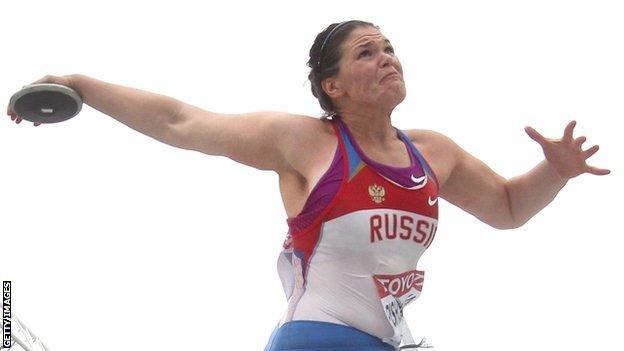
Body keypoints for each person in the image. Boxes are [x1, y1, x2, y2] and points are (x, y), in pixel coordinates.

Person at [6, 20, 610, 351]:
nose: (387, 58)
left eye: (391, 48)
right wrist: (78, 83)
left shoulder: (436, 153)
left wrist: (554, 171)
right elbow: (180, 122)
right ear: (333, 87)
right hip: (317, 340)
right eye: (367, 53)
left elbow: (508, 208)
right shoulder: (306, 143)